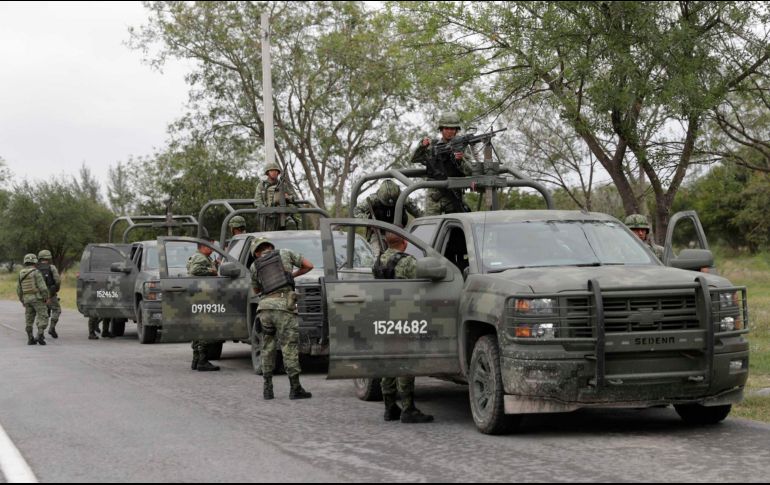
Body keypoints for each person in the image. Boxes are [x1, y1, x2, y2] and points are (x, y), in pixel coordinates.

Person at [373, 232, 434, 423]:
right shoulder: (408, 262)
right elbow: (423, 284)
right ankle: (408, 409)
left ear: (386, 242)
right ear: (405, 243)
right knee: (405, 360)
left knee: (388, 360)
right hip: (403, 315)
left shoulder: (378, 260)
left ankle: (390, 407)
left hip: (384, 315)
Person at [250, 237, 313, 400]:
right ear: (271, 247)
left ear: (257, 252)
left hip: (264, 309)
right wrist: (292, 275)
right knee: (288, 347)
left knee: (267, 346)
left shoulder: (254, 265)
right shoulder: (285, 253)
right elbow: (309, 266)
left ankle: (268, 389)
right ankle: (295, 388)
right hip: (284, 307)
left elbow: (256, 289)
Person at [410, 111, 479, 216]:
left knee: (456, 226)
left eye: (452, 129)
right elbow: (415, 159)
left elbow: (470, 171)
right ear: (441, 129)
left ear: (456, 130)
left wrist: (461, 159)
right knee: (430, 224)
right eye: (446, 128)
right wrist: (422, 146)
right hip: (434, 195)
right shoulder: (433, 146)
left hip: (454, 194)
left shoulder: (462, 148)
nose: (449, 131)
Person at [354, 180, 423, 247]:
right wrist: (369, 222)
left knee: (408, 252)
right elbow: (357, 211)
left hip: (399, 233)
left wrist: (415, 229)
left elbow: (420, 215)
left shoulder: (404, 199)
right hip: (378, 233)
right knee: (376, 252)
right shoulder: (373, 199)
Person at [187, 240, 221, 372]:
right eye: (209, 246)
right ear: (202, 247)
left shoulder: (199, 257)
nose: (212, 248)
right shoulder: (200, 258)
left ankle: (196, 360)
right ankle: (202, 360)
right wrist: (212, 271)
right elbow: (195, 270)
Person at [254, 163, 300, 231]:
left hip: (283, 214)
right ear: (267, 173)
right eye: (271, 171)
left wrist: (288, 197)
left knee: (291, 224)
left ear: (278, 173)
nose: (274, 173)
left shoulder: (283, 185)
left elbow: (293, 198)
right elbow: (258, 202)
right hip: (268, 216)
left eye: (276, 171)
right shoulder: (261, 186)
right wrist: (267, 211)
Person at [16, 253, 49, 345]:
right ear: (35, 262)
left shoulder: (21, 273)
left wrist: (22, 300)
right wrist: (46, 297)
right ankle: (40, 335)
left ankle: (30, 338)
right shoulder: (36, 272)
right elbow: (43, 287)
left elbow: (18, 289)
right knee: (43, 316)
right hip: (37, 299)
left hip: (27, 299)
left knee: (29, 319)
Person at [36, 249, 61, 339]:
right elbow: (57, 280)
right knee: (57, 309)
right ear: (49, 258)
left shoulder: (35, 268)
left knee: (41, 314)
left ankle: (40, 332)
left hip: (38, 295)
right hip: (50, 294)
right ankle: (52, 327)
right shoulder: (52, 267)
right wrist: (55, 290)